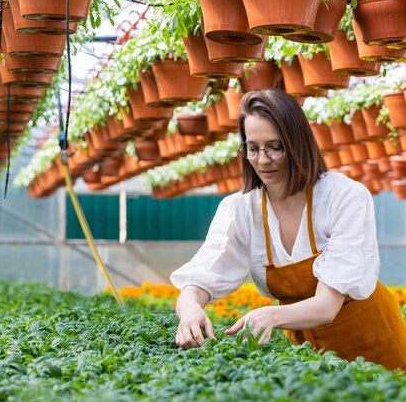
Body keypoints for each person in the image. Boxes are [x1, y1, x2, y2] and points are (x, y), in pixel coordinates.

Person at [170, 88, 406, 371]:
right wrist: (190, 310)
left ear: (297, 144)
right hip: (309, 355)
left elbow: (326, 307)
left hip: (373, 339)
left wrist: (270, 315)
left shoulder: (343, 197)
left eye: (275, 146)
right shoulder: (241, 210)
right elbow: (199, 280)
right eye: (253, 148)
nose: (263, 160)